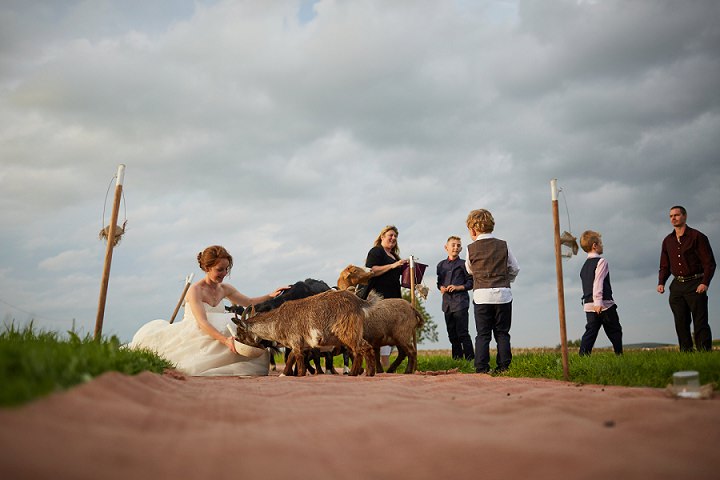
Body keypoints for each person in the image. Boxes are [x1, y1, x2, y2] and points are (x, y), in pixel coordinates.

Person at [129, 245, 288, 376]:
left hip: (220, 330)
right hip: (197, 331)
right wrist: (225, 341)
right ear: (207, 267)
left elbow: (249, 302)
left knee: (236, 325)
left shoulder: (225, 288)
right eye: (220, 270)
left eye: (226, 269)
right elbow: (202, 322)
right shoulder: (195, 290)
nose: (224, 274)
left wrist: (270, 295)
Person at [465, 209, 519, 374]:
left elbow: (469, 269)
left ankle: (481, 368)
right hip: (503, 294)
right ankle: (504, 367)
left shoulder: (471, 248)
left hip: (481, 295)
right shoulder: (503, 244)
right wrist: (505, 279)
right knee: (502, 333)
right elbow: (515, 268)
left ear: (473, 230)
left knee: (483, 334)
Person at [657, 206, 716, 352]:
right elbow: (664, 265)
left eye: (676, 215)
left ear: (685, 216)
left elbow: (709, 263)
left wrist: (705, 283)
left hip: (696, 283)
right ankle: (686, 352)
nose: (673, 218)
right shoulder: (667, 241)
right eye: (671, 216)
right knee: (681, 321)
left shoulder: (697, 237)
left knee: (700, 321)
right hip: (677, 286)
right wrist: (661, 282)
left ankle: (704, 352)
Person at [365, 225, 408, 369]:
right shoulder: (376, 251)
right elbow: (372, 270)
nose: (393, 238)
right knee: (380, 332)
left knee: (392, 331)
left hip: (393, 298)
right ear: (382, 236)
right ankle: (382, 368)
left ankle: (386, 367)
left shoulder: (395, 256)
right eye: (390, 235)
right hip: (378, 298)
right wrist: (393, 265)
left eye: (395, 236)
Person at [578, 230, 623, 355]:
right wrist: (598, 302)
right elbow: (598, 282)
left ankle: (583, 356)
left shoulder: (584, 266)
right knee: (615, 330)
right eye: (600, 243)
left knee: (590, 332)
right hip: (603, 304)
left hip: (588, 304)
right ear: (595, 245)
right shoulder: (601, 262)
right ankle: (619, 355)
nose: (602, 245)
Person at [436, 236, 474, 360]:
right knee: (452, 335)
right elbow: (439, 283)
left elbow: (471, 283)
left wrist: (458, 287)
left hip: (460, 303)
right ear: (446, 247)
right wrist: (441, 287)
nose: (456, 247)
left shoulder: (464, 264)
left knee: (463, 333)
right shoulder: (441, 265)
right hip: (447, 305)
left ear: (461, 248)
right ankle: (457, 360)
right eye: (453, 245)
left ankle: (470, 360)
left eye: (458, 245)